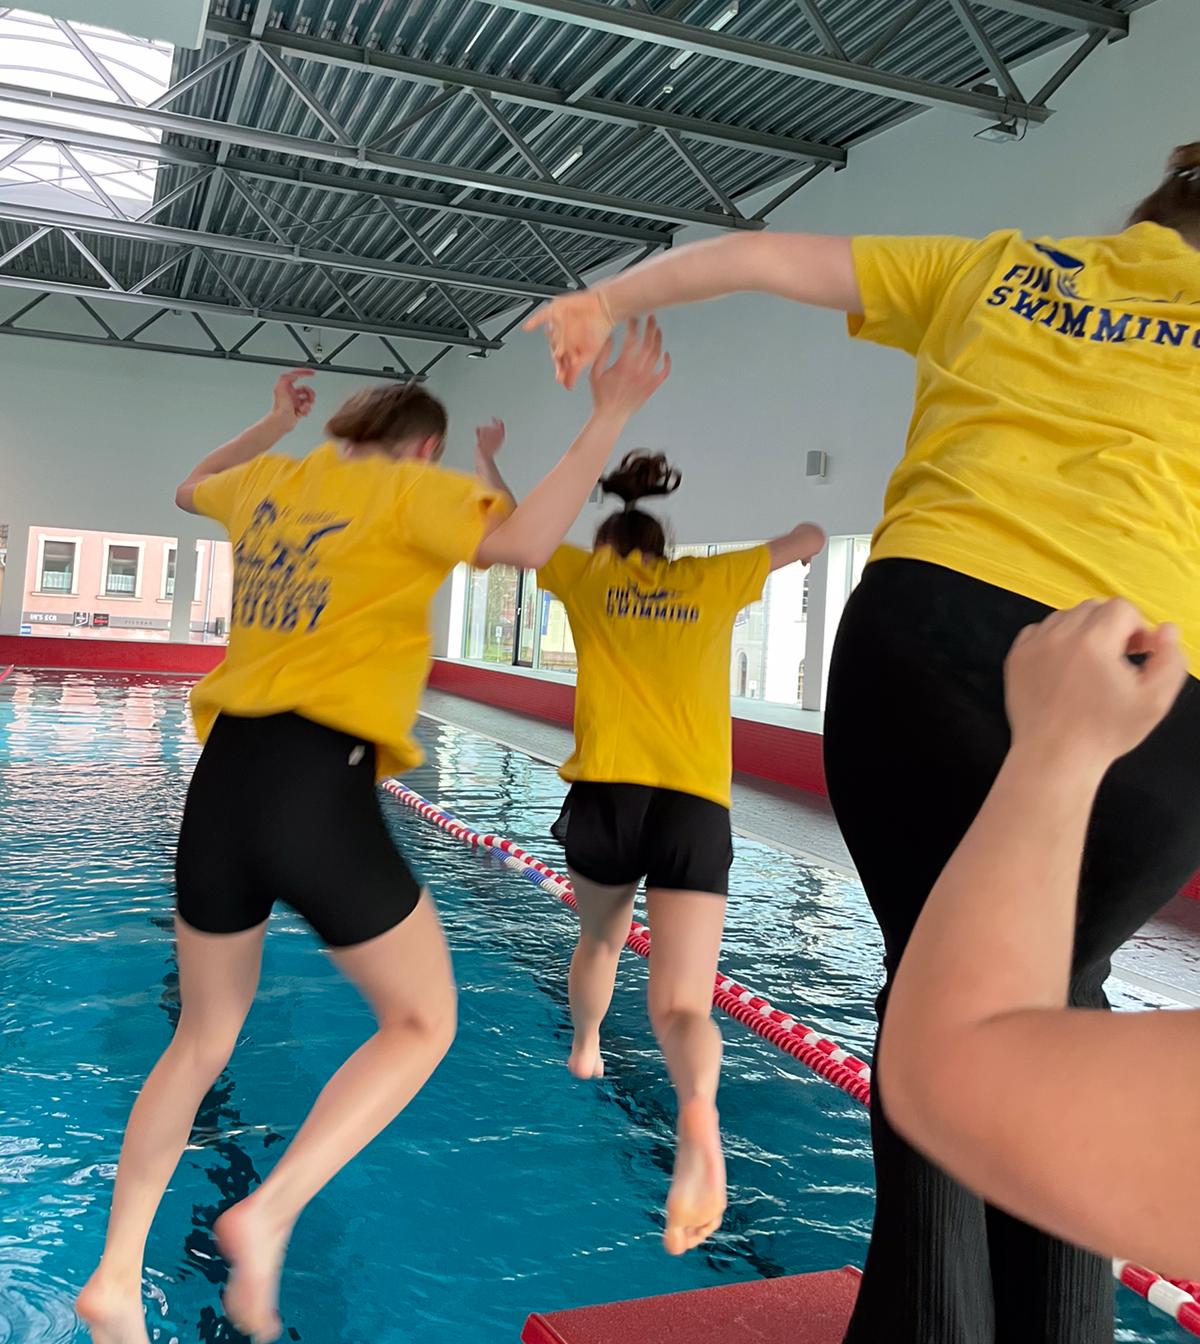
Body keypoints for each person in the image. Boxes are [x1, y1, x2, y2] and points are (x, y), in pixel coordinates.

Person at [525, 145, 1200, 1343]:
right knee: (1062, 993)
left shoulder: (1000, 266)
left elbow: (760, 257)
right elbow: (792, 535)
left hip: (931, 639)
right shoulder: (710, 578)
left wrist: (606, 299)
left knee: (939, 991)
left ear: (1148, 212)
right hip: (1155, 679)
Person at [77, 320, 670, 1344]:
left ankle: (116, 1275)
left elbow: (187, 486)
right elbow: (527, 543)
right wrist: (610, 413)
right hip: (318, 784)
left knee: (199, 1039)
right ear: (425, 449)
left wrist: (273, 421)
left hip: (222, 783)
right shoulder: (411, 490)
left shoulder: (270, 484)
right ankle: (270, 1210)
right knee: (423, 1022)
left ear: (342, 430)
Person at [475, 421, 824, 1257]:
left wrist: (489, 458)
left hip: (607, 796)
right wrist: (800, 533)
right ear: (665, 547)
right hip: (694, 808)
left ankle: (587, 1045)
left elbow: (515, 529)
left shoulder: (586, 577)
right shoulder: (714, 578)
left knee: (600, 940)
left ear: (609, 545)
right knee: (683, 1005)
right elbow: (811, 536)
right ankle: (698, 1113)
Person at [881, 598, 1197, 1278]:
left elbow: (954, 1075)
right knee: (1076, 990)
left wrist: (1060, 748)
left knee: (927, 977)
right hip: (1176, 707)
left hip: (946, 625)